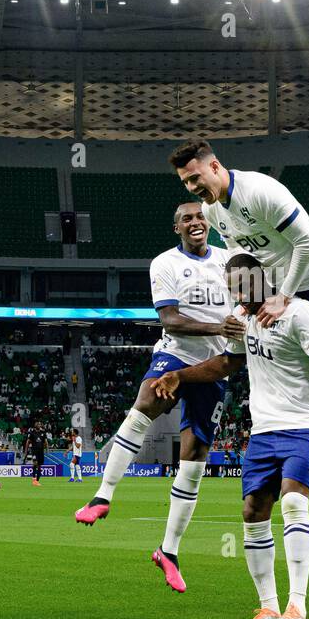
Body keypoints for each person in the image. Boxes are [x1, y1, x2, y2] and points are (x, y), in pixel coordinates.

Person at [169, 140, 309, 522]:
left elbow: (308, 243)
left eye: (195, 177)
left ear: (214, 166)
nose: (193, 187)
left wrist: (284, 295)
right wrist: (246, 300)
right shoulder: (214, 211)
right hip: (276, 288)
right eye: (185, 182)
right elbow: (245, 258)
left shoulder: (260, 191)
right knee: (308, 376)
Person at [150, 253, 309, 619]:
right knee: (253, 512)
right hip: (263, 433)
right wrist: (180, 377)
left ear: (261, 278)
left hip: (304, 427)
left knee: (292, 501)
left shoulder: (299, 312)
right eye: (231, 286)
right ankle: (268, 607)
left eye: (240, 284)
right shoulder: (241, 320)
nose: (235, 292)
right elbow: (224, 364)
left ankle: (297, 605)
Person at [75, 202, 242, 594]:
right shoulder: (164, 263)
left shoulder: (230, 259)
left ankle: (169, 551)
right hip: (175, 352)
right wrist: (221, 324)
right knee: (146, 402)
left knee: (195, 456)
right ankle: (103, 494)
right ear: (176, 228)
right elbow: (170, 319)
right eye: (187, 219)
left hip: (215, 363)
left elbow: (247, 300)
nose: (196, 222)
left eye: (200, 217)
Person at [26, 422, 47, 487]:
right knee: (35, 463)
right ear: (35, 426)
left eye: (40, 424)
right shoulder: (32, 433)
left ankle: (37, 481)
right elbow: (28, 441)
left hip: (41, 451)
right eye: (38, 424)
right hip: (34, 451)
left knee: (39, 466)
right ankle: (34, 479)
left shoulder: (43, 433)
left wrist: (46, 448)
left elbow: (45, 442)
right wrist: (26, 450)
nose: (39, 425)